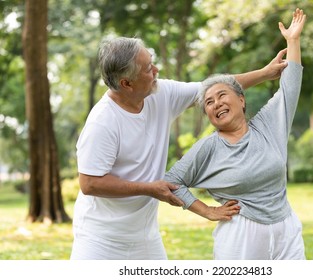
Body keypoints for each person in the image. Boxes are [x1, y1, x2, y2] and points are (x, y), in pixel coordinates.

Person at [70, 35, 288, 260]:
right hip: (100, 241)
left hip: (144, 236)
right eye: (147, 69)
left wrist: (266, 73)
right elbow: (90, 183)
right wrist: (149, 188)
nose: (155, 70)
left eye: (152, 61)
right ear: (126, 83)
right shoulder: (103, 122)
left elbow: (214, 88)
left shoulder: (160, 92)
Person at [164, 8, 307, 260]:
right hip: (241, 236)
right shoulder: (208, 147)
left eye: (222, 96)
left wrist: (293, 41)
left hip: (286, 227)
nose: (216, 103)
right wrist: (206, 210)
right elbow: (171, 183)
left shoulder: (268, 126)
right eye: (208, 102)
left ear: (241, 100)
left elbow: (290, 88)